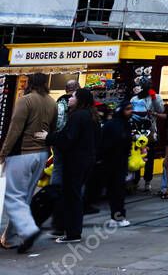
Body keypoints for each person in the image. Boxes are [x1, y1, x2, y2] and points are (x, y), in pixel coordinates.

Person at [0, 73, 57, 253]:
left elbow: (15, 129)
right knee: (23, 197)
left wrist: (3, 152)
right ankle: (10, 237)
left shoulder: (26, 101)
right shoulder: (52, 103)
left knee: (13, 197)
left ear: (30, 83)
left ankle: (27, 231)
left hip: (23, 153)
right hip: (41, 154)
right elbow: (53, 129)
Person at [42, 87, 98, 244]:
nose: (69, 99)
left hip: (75, 162)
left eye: (73, 96)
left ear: (79, 100)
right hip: (86, 161)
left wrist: (49, 137)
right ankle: (72, 230)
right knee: (76, 196)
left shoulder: (78, 116)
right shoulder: (91, 116)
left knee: (72, 197)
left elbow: (68, 139)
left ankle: (72, 233)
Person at [100, 100, 134, 226]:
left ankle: (117, 217)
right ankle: (118, 217)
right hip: (115, 163)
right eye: (128, 109)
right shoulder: (118, 125)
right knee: (116, 191)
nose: (131, 111)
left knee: (115, 191)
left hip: (115, 162)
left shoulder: (120, 124)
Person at [131, 79, 164, 193]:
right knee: (136, 155)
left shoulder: (157, 97)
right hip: (137, 131)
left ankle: (147, 181)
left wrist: (154, 99)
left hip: (150, 131)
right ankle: (135, 180)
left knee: (149, 157)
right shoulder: (135, 98)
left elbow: (161, 110)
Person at [51, 80, 79, 189]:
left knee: (58, 167)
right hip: (72, 139)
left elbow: (57, 122)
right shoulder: (79, 101)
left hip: (59, 139)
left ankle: (54, 194)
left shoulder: (60, 101)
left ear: (66, 89)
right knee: (73, 168)